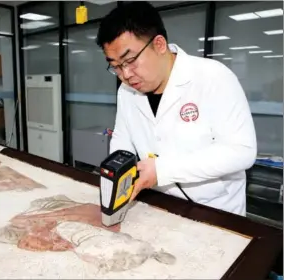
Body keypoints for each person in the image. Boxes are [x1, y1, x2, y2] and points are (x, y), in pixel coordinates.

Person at [95, 1, 257, 216]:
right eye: (115, 66)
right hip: (160, 203)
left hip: (216, 209)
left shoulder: (213, 77)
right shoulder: (127, 91)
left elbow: (241, 151)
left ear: (159, 44)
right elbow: (123, 140)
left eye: (130, 60)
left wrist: (162, 170)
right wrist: (117, 175)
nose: (125, 74)